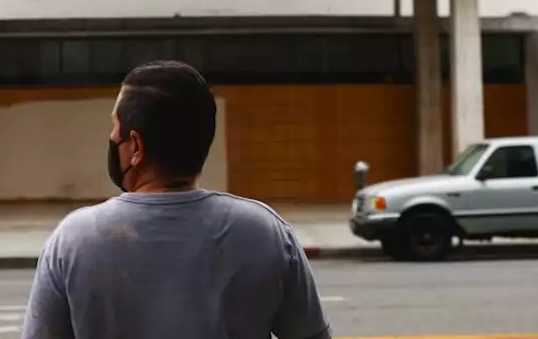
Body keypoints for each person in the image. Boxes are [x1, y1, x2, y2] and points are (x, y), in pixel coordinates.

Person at [20, 60, 331, 339]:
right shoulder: (266, 233)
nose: (112, 139)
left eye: (115, 129)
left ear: (135, 147)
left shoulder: (73, 239)